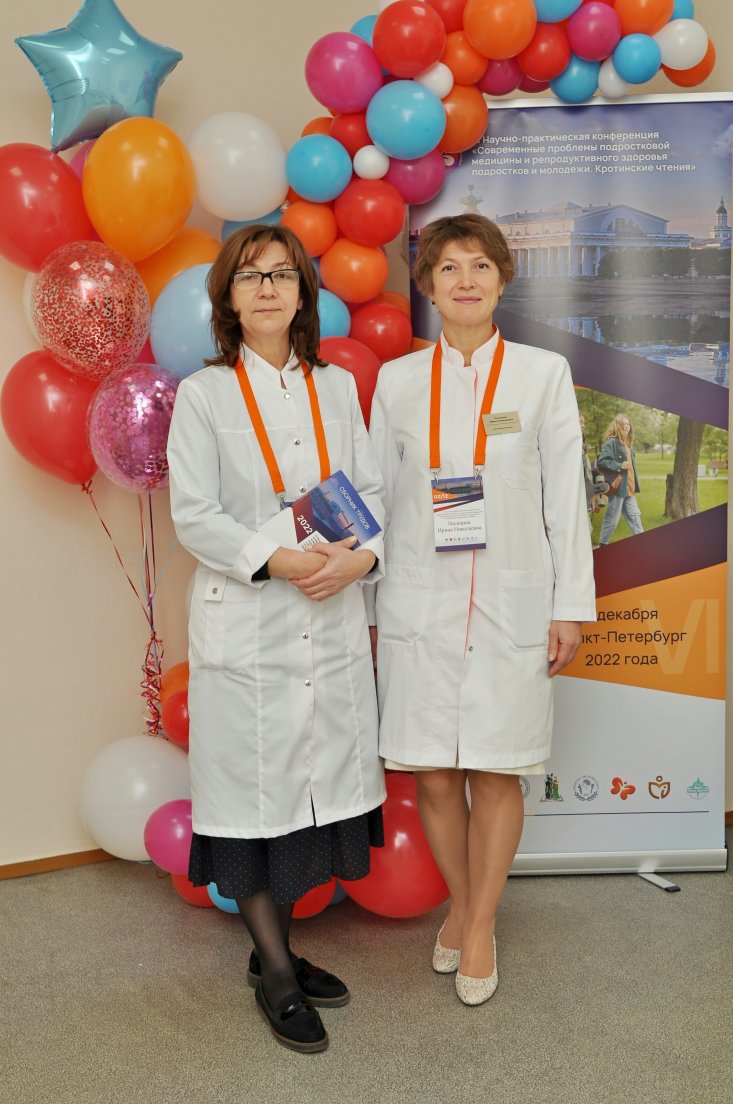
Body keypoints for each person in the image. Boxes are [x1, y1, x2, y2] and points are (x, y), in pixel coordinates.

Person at [166, 225, 386, 1054]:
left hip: (327, 614)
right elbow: (195, 515)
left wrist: (363, 558)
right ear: (227, 296)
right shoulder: (204, 395)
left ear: (302, 294)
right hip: (251, 621)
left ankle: (276, 954)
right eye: (249, 276)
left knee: (306, 800)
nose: (266, 289)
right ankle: (278, 974)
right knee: (256, 802)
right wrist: (283, 561)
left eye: (282, 275)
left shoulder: (337, 387)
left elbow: (371, 492)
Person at [368, 214, 596, 1006]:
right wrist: (368, 607)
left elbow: (565, 500)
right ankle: (465, 907)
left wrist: (568, 606)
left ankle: (476, 926)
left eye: (479, 266)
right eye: (447, 267)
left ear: (501, 280)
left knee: (498, 770)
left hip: (510, 602)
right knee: (433, 774)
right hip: (419, 605)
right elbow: (377, 500)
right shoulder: (397, 382)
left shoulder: (541, 374)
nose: (464, 280)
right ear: (426, 287)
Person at [597, 414, 643, 545]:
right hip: (618, 488)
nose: (627, 427)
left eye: (628, 424)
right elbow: (602, 461)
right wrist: (619, 465)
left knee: (635, 517)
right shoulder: (612, 443)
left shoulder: (627, 444)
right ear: (618, 426)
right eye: (624, 424)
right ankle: (602, 545)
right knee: (612, 520)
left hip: (629, 488)